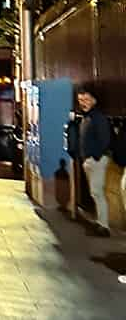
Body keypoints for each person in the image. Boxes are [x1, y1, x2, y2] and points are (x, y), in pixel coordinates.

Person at [77, 85, 112, 236]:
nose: (83, 103)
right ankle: (100, 222)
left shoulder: (98, 117)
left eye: (86, 99)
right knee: (95, 192)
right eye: (80, 100)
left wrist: (94, 156)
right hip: (89, 159)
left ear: (94, 100)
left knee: (97, 191)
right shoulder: (87, 117)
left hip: (97, 160)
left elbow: (105, 140)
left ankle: (104, 226)